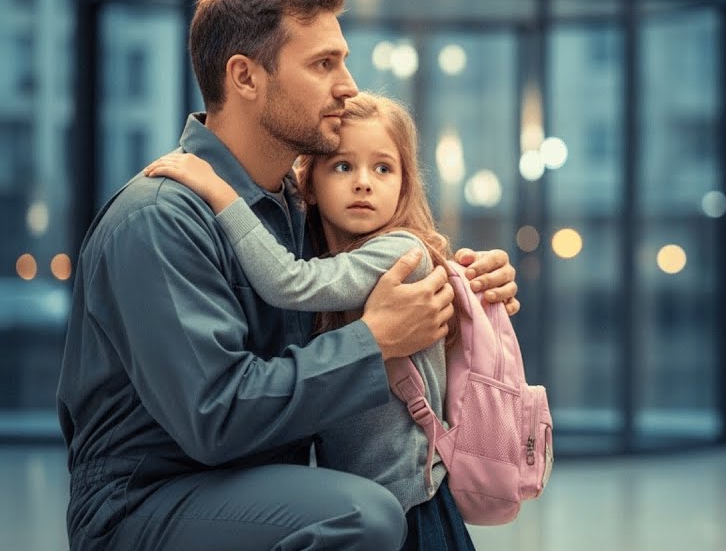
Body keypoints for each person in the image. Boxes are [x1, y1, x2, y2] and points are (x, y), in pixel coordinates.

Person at [57, 0, 520, 551]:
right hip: (147, 504)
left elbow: (378, 279)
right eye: (324, 64)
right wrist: (375, 341)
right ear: (246, 77)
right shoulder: (159, 219)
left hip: (263, 485)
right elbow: (215, 417)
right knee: (361, 516)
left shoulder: (298, 210)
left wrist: (462, 295)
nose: (349, 85)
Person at [143, 91, 478, 551]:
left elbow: (290, 283)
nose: (364, 182)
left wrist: (219, 192)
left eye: (383, 168)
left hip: (412, 503)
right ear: (311, 185)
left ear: (404, 185)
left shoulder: (398, 252)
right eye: (343, 166)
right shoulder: (335, 260)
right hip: (369, 498)